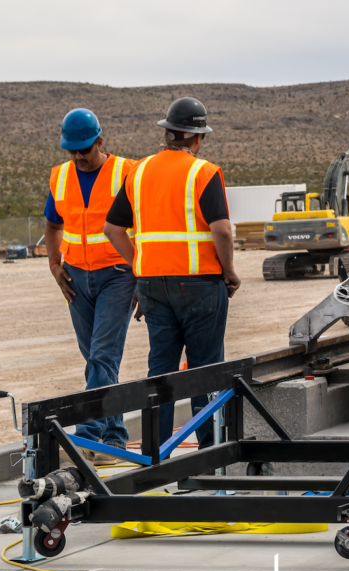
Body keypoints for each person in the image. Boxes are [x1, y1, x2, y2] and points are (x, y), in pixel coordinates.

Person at [104, 97, 241, 450]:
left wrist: (141, 263)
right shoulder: (204, 172)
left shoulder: (139, 172)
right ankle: (210, 454)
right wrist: (230, 272)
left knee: (160, 372)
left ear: (167, 134)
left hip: (152, 286)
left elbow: (112, 229)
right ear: (197, 138)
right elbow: (222, 231)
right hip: (200, 285)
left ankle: (154, 454)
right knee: (205, 371)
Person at [43, 108, 137, 465]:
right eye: (73, 151)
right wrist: (54, 264)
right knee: (99, 360)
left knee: (101, 355)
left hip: (118, 274)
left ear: (100, 140)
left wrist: (141, 276)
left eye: (85, 149)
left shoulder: (126, 172)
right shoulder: (61, 177)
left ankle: (88, 437)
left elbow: (141, 228)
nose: (79, 157)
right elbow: (52, 226)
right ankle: (114, 438)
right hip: (76, 278)